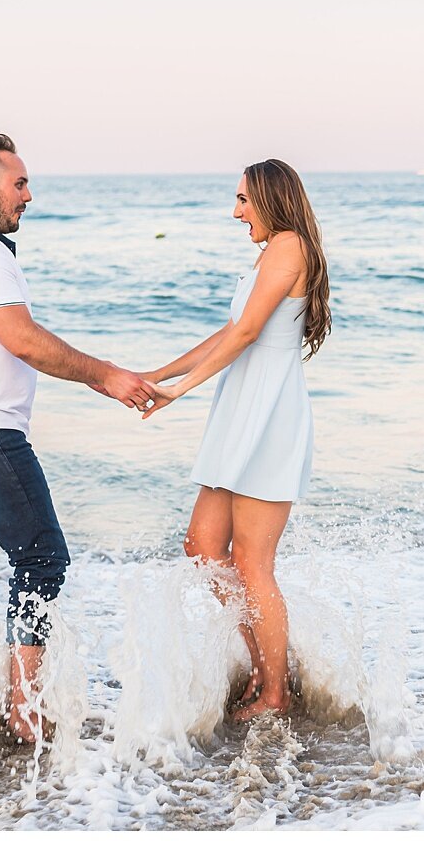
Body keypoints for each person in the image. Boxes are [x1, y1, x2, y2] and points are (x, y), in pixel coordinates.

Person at [0, 134, 157, 743]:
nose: (29, 195)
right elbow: (21, 339)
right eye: (20, 184)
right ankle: (26, 710)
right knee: (41, 557)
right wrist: (106, 376)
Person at [140, 158, 331, 722]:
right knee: (203, 547)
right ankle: (269, 665)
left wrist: (181, 393)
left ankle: (276, 691)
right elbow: (230, 332)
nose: (236, 211)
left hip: (268, 416)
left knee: (252, 562)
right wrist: (160, 377)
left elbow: (248, 334)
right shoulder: (269, 252)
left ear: (271, 199)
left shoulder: (290, 245)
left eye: (244, 199)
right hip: (241, 411)